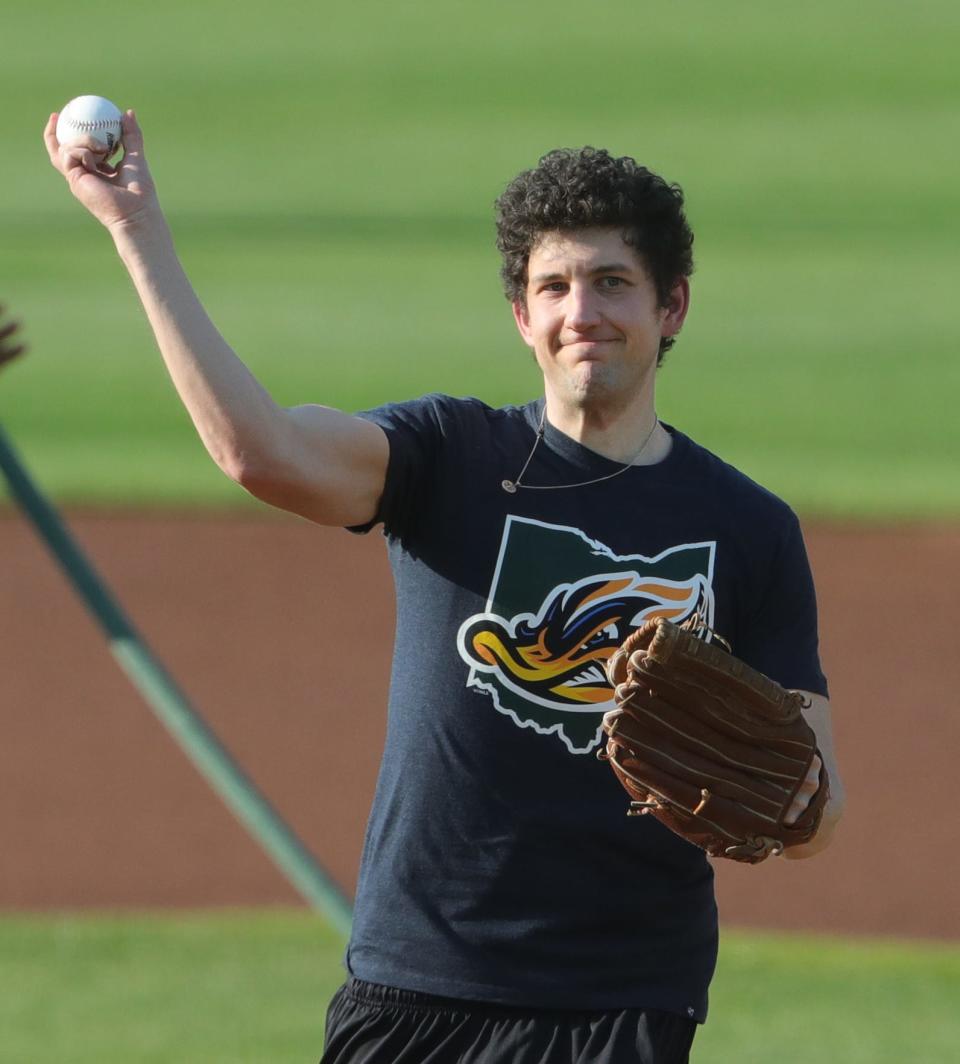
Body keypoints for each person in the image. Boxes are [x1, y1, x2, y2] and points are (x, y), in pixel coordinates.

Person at [45, 113, 845, 1063]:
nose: (581, 310)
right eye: (553, 286)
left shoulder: (748, 528)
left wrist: (778, 799)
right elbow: (263, 453)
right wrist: (135, 230)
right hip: (420, 985)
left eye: (612, 283)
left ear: (671, 308)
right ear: (522, 317)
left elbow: (818, 809)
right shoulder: (449, 456)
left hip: (623, 1004)